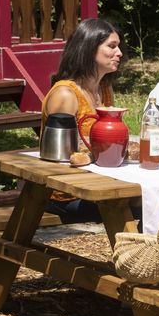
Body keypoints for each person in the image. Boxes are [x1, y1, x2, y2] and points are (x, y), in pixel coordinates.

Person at [40, 18, 124, 222]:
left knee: (151, 201)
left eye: (118, 46)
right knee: (135, 207)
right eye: (111, 46)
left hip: (95, 184)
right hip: (64, 194)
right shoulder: (65, 95)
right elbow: (61, 157)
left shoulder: (104, 90)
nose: (119, 53)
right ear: (88, 49)